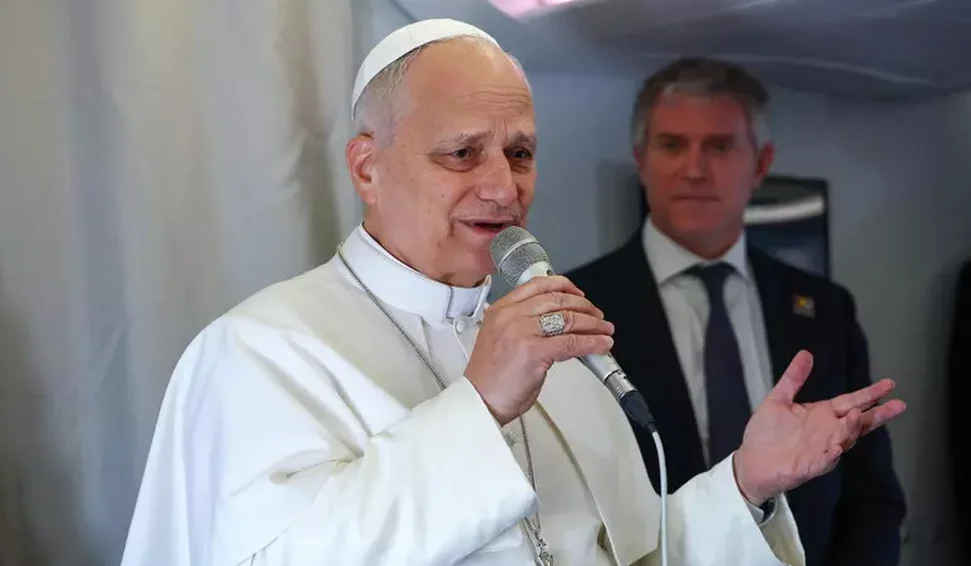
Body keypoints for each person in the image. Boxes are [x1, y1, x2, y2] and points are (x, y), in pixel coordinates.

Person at [119, 21, 906, 566]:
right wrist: (480, 403)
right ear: (366, 167)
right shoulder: (261, 351)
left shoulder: (556, 351)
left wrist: (745, 483)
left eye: (520, 153)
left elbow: (635, 552)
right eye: (462, 154)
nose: (503, 187)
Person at [567, 57, 907, 566]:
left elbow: (870, 496)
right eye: (672, 145)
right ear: (641, 160)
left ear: (762, 163)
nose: (694, 169)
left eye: (720, 146)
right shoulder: (577, 305)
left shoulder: (824, 309)